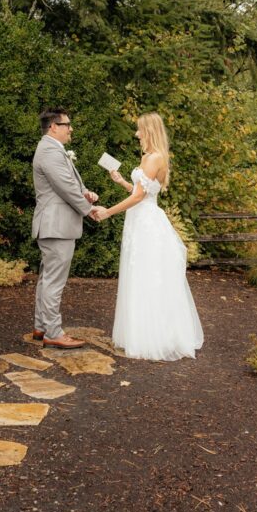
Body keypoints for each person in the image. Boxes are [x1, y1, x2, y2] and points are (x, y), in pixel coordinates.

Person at [93, 112, 204, 361]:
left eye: (139, 130)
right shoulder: (150, 157)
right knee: (139, 274)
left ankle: (152, 338)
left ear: (149, 131)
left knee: (148, 275)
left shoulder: (154, 158)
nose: (136, 134)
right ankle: (141, 333)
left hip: (146, 223)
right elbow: (140, 191)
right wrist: (122, 181)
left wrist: (108, 212)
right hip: (139, 219)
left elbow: (139, 197)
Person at [31, 108, 99, 349]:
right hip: (56, 225)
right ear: (53, 127)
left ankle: (41, 326)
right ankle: (53, 332)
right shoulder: (49, 150)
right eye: (66, 124)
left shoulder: (53, 150)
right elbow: (65, 188)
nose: (70, 128)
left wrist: (85, 193)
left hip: (55, 224)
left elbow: (69, 184)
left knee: (47, 279)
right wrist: (89, 209)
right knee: (53, 282)